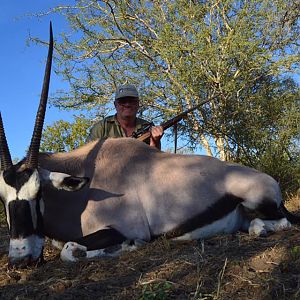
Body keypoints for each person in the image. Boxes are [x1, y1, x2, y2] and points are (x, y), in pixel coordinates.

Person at [88, 84, 164, 149]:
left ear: (138, 104)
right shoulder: (101, 128)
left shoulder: (148, 127)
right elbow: (87, 158)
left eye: (131, 101)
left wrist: (155, 141)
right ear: (115, 104)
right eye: (122, 101)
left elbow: (154, 161)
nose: (127, 105)